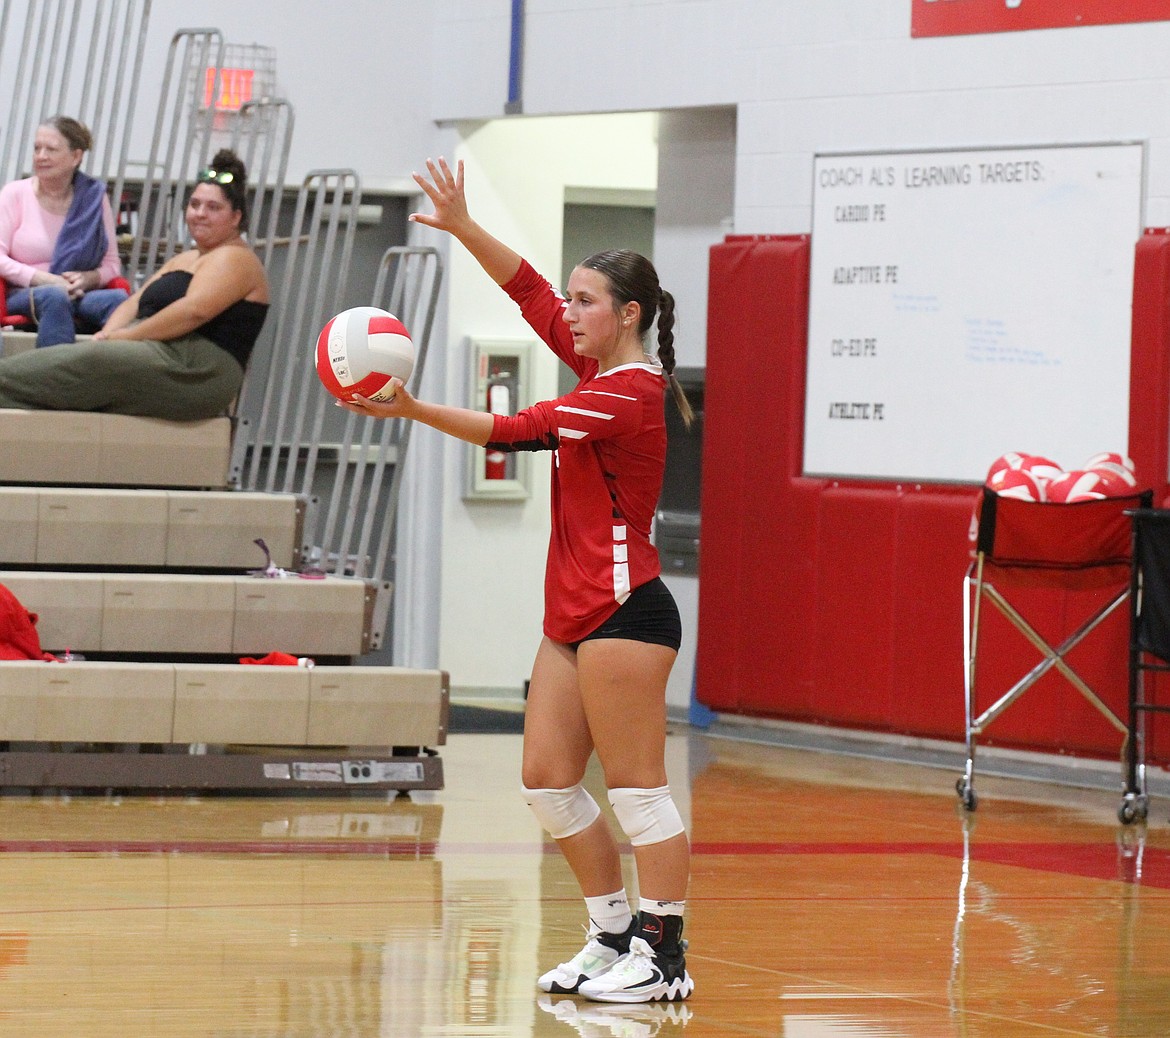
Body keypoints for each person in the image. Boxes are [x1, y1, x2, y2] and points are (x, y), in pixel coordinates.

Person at [345, 157, 696, 1004]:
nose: (567, 313)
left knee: (641, 794)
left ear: (628, 316)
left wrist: (414, 408)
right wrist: (463, 224)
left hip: (624, 611)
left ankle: (665, 955)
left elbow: (521, 427)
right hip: (571, 617)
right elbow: (530, 290)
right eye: (572, 299)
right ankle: (611, 935)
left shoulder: (629, 392)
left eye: (586, 303)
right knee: (545, 780)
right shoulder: (594, 367)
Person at [0, 149, 268, 419]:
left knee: (91, 362)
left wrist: (125, 338)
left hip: (195, 368)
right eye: (195, 204)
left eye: (213, 208)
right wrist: (105, 336)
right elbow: (134, 302)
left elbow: (193, 311)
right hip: (155, 351)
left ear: (236, 217)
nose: (200, 214)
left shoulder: (237, 259)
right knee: (83, 358)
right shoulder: (186, 258)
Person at [0, 115, 129, 347]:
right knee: (55, 297)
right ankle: (53, 378)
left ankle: (111, 379)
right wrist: (45, 280)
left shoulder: (94, 199)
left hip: (76, 292)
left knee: (119, 301)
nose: (41, 156)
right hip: (22, 291)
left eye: (51, 149)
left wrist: (89, 279)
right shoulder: (14, 194)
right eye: (37, 148)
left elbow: (112, 264)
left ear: (76, 156)